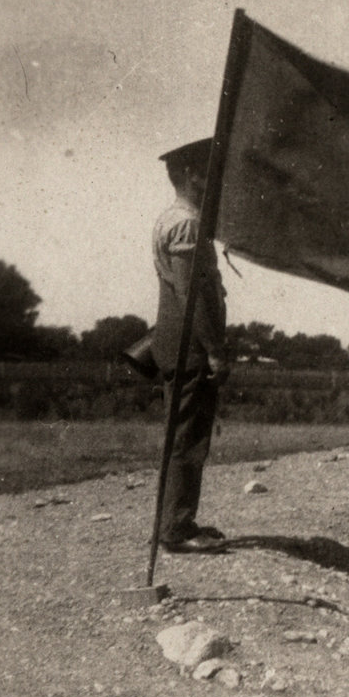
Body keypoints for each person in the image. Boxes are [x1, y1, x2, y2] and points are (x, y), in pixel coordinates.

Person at [152, 138, 229, 554]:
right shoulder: (187, 224)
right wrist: (214, 348)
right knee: (187, 438)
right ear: (189, 175)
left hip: (180, 341)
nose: (213, 180)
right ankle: (176, 530)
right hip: (189, 344)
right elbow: (192, 293)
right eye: (208, 171)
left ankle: (177, 520)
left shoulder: (178, 219)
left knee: (184, 434)